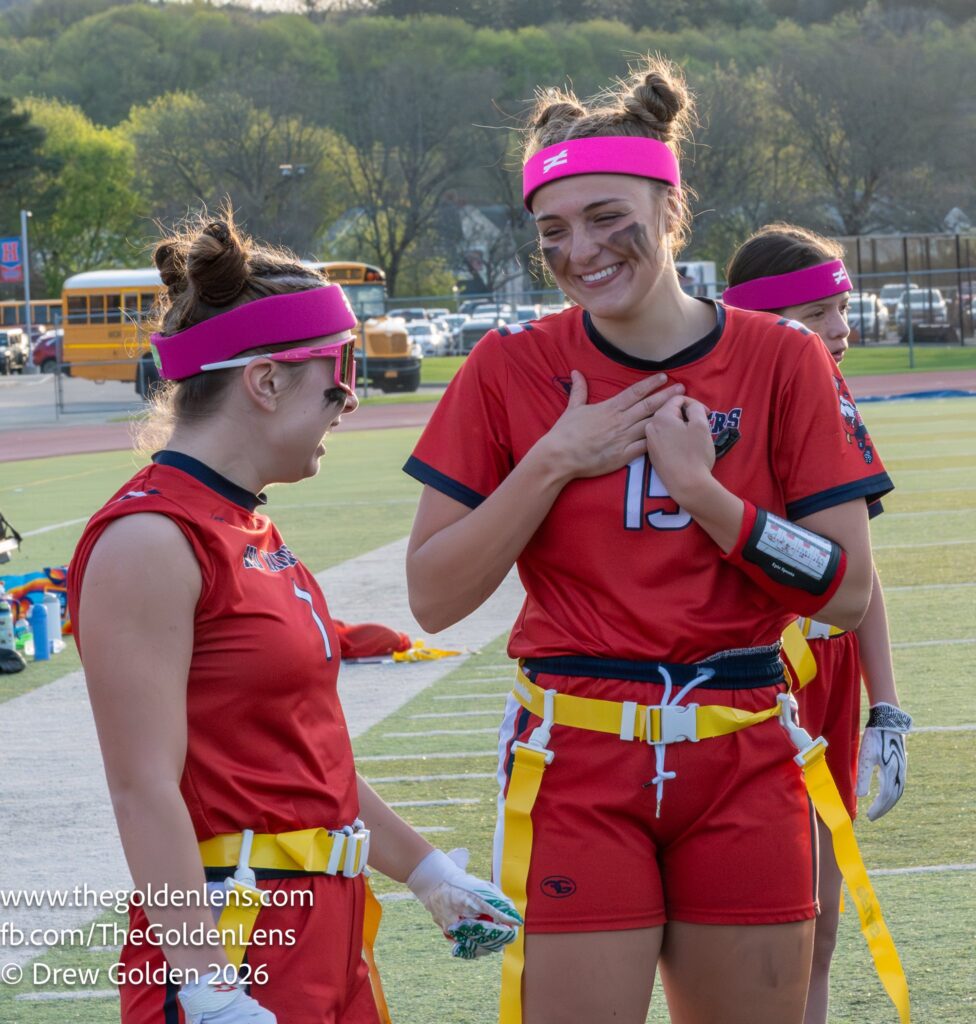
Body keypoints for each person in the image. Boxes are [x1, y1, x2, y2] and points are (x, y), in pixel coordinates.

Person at [403, 57, 894, 1024]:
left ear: (672, 211)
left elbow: (843, 592)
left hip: (743, 743)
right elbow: (433, 597)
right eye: (553, 231)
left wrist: (709, 498)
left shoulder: (785, 359)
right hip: (577, 754)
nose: (580, 250)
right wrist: (553, 460)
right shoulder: (508, 369)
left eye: (606, 217)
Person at [68, 214, 521, 1024]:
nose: (350, 397)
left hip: (323, 930)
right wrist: (206, 984)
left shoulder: (248, 525)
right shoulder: (151, 539)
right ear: (265, 382)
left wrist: (428, 873)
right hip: (236, 934)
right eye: (337, 373)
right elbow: (143, 788)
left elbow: (306, 763)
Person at [724, 223, 912, 1024]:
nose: (841, 329)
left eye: (841, 308)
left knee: (821, 929)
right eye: (817, 313)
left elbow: (860, 575)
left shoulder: (831, 396)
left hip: (829, 671)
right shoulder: (717, 407)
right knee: (758, 938)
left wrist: (886, 705)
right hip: (753, 673)